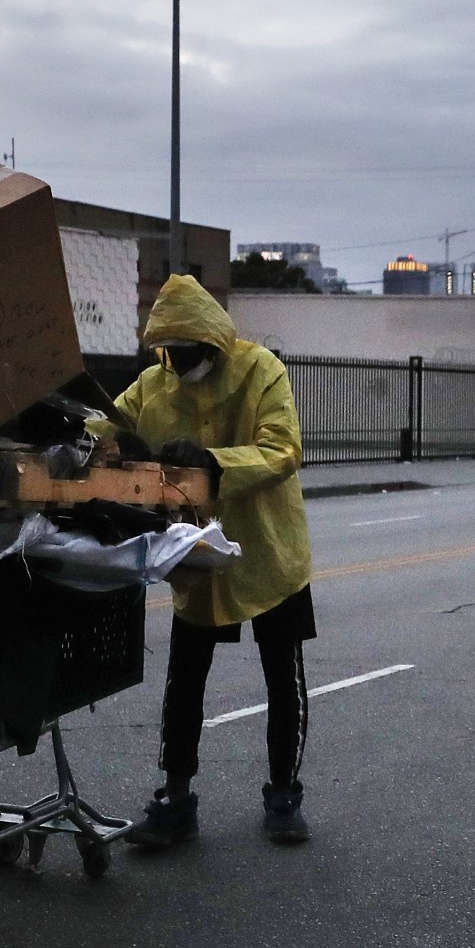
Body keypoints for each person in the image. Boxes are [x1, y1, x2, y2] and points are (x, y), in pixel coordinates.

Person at [102, 274, 315, 846]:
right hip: (197, 553)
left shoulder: (260, 370)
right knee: (185, 678)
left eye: (187, 350)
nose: (177, 361)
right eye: (168, 351)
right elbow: (111, 426)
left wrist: (211, 462)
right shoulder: (154, 384)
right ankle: (176, 800)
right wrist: (106, 442)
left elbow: (282, 448)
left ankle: (284, 793)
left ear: (213, 344)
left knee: (282, 678)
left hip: (270, 550)